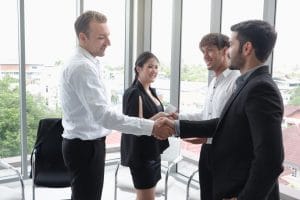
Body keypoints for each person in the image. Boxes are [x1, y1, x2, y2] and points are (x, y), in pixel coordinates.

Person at [163, 20, 284, 199]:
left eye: (232, 44)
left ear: (247, 48)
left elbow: (271, 159)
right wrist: (176, 126)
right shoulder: (248, 84)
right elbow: (224, 124)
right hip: (228, 177)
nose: (229, 50)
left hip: (240, 186)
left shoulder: (261, 89)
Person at [59, 11, 172, 200]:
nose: (108, 43)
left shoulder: (90, 63)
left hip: (87, 144)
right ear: (82, 37)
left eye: (108, 36)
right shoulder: (82, 67)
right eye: (101, 37)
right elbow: (104, 116)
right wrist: (151, 127)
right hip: (85, 147)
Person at [171, 33, 240, 200]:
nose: (205, 56)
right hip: (207, 151)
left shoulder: (236, 81)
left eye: (210, 50)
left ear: (225, 51)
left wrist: (178, 127)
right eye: (203, 51)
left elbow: (228, 124)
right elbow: (205, 115)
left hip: (226, 155)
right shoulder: (214, 82)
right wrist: (178, 118)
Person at [121, 51, 169, 200]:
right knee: (146, 196)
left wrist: (165, 116)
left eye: (156, 67)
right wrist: (160, 117)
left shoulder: (152, 92)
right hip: (141, 154)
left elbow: (149, 118)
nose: (154, 70)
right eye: (150, 66)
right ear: (138, 69)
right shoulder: (134, 93)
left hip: (152, 150)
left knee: (148, 195)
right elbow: (135, 126)